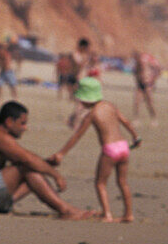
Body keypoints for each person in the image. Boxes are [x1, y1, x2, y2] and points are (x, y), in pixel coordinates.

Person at [0, 101, 90, 219]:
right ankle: (65, 209)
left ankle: (65, 208)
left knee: (30, 169)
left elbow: (26, 164)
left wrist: (47, 164)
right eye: (22, 123)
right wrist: (55, 175)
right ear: (9, 122)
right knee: (27, 166)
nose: (25, 128)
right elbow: (27, 159)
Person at [49, 78, 140, 222]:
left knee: (100, 183)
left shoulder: (91, 114)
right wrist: (136, 137)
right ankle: (128, 214)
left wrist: (62, 153)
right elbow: (126, 122)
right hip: (123, 147)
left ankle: (107, 214)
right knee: (122, 182)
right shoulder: (110, 106)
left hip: (110, 150)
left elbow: (77, 136)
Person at [131, 52, 157, 124]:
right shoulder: (136, 66)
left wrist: (152, 80)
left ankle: (154, 118)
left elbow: (155, 69)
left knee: (150, 103)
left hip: (147, 84)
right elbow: (136, 75)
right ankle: (136, 119)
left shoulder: (145, 63)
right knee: (136, 102)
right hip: (140, 84)